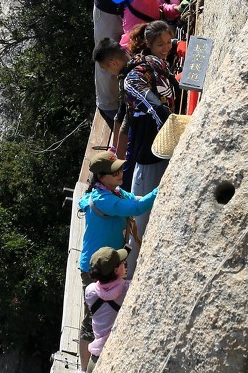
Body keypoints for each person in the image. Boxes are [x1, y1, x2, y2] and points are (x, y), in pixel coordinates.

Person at [76, 152, 156, 365]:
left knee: (108, 313)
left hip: (111, 261)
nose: (121, 173)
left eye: (120, 168)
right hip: (95, 267)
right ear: (102, 177)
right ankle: (85, 368)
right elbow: (138, 208)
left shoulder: (116, 192)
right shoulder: (103, 199)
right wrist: (163, 187)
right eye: (115, 172)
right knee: (92, 321)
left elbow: (136, 200)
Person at [122, 19, 177, 263]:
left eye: (168, 42)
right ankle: (132, 271)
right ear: (148, 44)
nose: (166, 47)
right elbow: (134, 86)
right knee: (142, 210)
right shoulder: (140, 70)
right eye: (160, 44)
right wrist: (166, 118)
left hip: (163, 144)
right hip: (150, 149)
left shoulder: (160, 65)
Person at [84, 247, 130, 371]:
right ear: (116, 270)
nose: (124, 263)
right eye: (121, 263)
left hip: (96, 358)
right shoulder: (128, 290)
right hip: (115, 355)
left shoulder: (90, 291)